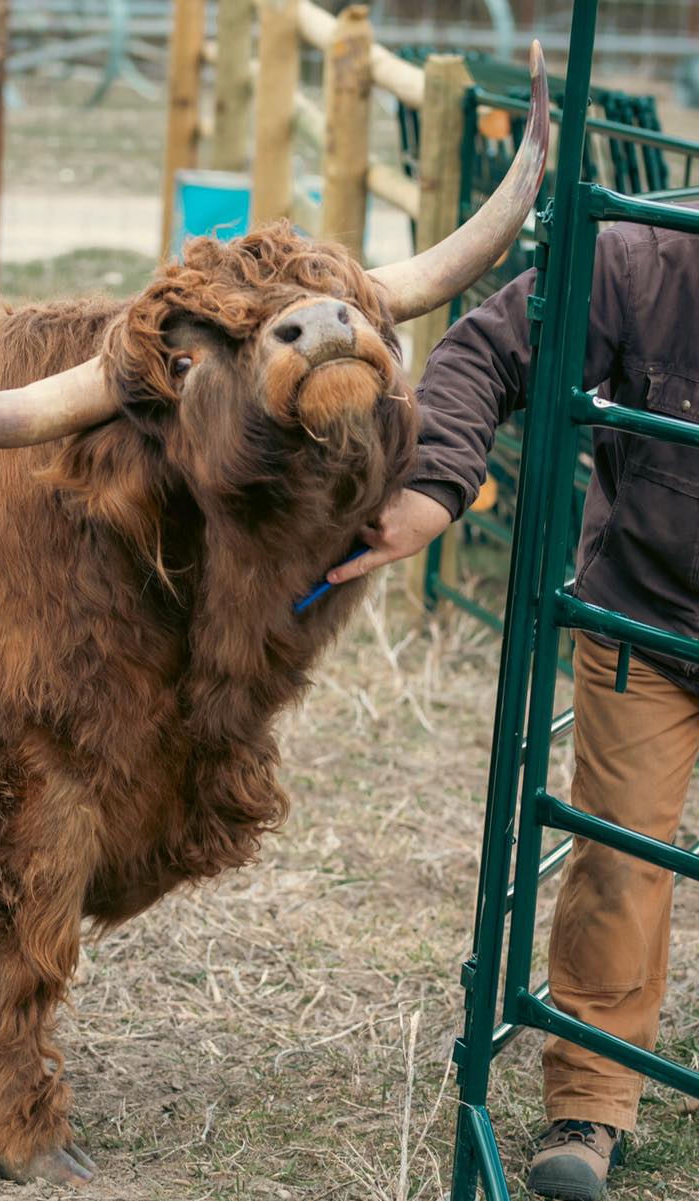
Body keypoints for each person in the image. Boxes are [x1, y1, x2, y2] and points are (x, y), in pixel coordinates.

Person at [328, 215, 699, 1201]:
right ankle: (591, 1097)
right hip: (649, 618)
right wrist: (438, 484)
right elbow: (491, 346)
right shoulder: (640, 263)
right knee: (620, 857)